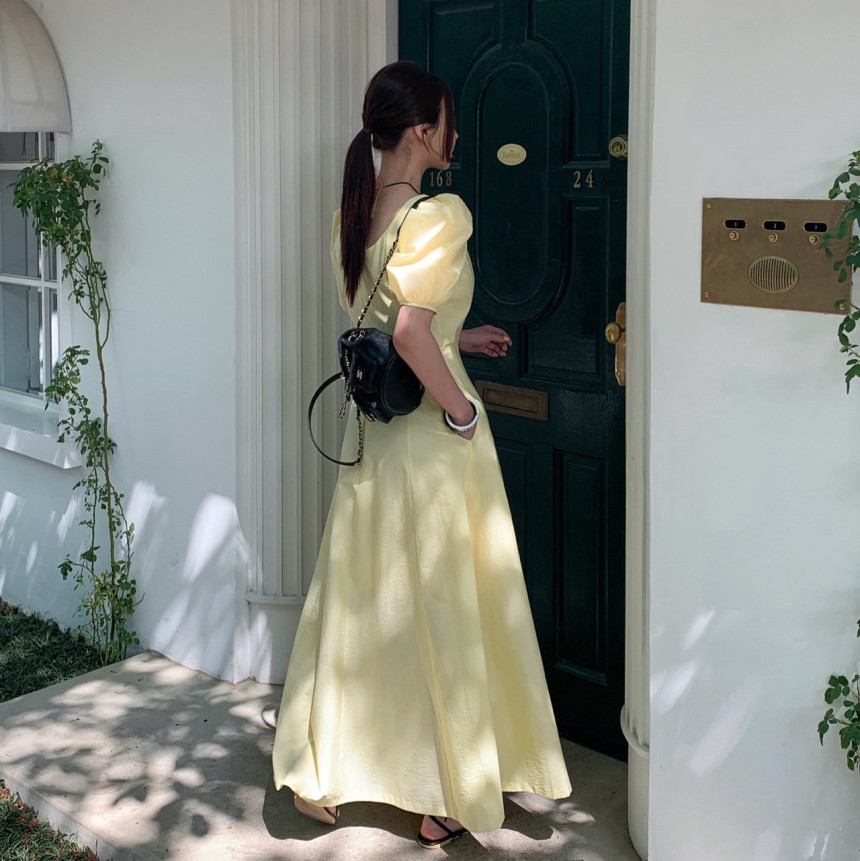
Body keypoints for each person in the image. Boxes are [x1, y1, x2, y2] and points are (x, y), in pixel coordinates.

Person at [271, 60, 571, 850]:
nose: (456, 134)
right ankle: (451, 787)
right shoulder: (439, 216)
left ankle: (323, 765)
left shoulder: (352, 215)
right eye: (448, 121)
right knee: (444, 603)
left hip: (375, 440)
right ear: (422, 131)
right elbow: (407, 332)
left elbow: (393, 321)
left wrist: (458, 337)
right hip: (434, 446)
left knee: (364, 598)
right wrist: (463, 409)